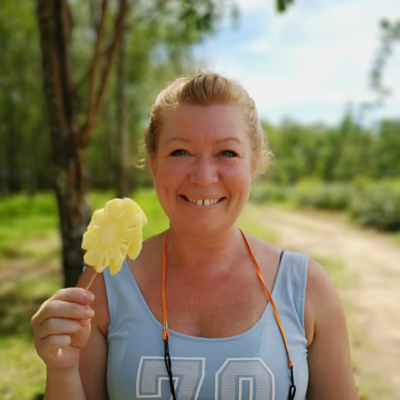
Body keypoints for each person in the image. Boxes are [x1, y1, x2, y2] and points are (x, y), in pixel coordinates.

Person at [31, 72, 359, 400]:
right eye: (180, 152)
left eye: (227, 153)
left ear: (253, 165)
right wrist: (62, 370)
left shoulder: (307, 289)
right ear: (154, 163)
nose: (203, 176)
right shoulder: (105, 284)